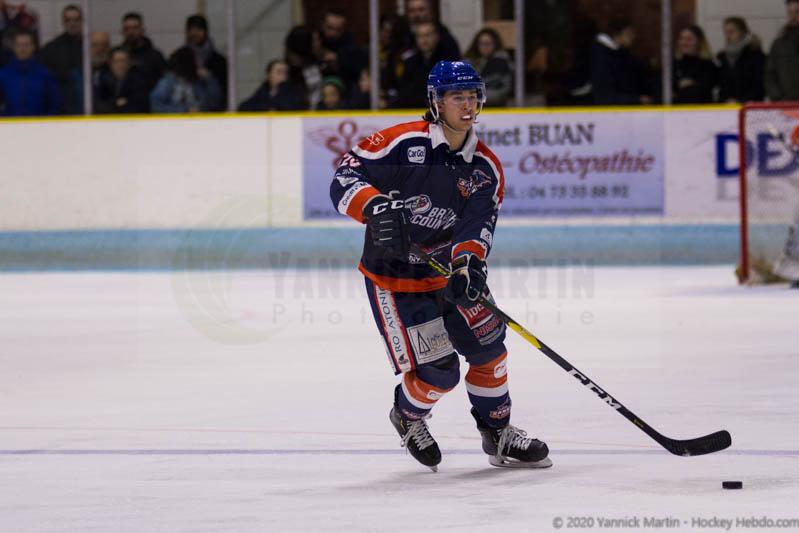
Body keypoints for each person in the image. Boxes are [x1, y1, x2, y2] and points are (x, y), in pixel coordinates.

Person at [329, 61, 551, 471]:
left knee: (490, 351)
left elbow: (477, 225)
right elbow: (344, 177)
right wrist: (374, 206)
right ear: (436, 102)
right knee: (438, 373)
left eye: (472, 97)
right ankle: (407, 416)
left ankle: (498, 432)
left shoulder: (484, 167)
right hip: (395, 278)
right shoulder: (401, 143)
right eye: (456, 97)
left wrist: (468, 265)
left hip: (449, 274)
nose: (467, 106)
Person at [394, 21, 458, 108]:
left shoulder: (448, 62)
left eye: (427, 35)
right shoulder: (410, 62)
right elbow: (404, 91)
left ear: (436, 37)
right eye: (420, 36)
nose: (424, 40)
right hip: (414, 109)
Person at [589, 18, 652, 105]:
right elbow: (604, 96)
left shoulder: (621, 54)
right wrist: (637, 99)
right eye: (629, 33)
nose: (634, 37)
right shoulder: (602, 58)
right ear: (616, 35)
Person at [0, 28, 60, 116]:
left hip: (40, 123)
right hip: (11, 123)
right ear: (13, 47)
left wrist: (46, 121)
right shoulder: (3, 75)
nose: (22, 48)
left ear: (33, 47)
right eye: (19, 45)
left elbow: (55, 104)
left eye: (26, 45)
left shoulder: (45, 75)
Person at [37, 4, 82, 114]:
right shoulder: (51, 48)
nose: (72, 23)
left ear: (82, 21)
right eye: (68, 20)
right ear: (63, 22)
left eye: (76, 19)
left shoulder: (89, 46)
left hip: (84, 105)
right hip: (60, 108)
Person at [150, 46, 222, 113]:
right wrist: (185, 110)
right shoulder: (168, 81)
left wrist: (209, 79)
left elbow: (214, 104)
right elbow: (156, 106)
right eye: (197, 60)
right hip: (175, 120)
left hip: (200, 120)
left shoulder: (199, 81)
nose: (200, 63)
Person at [716, 17, 765, 103]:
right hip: (727, 105)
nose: (728, 36)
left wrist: (741, 101)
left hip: (749, 104)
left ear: (742, 32)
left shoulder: (756, 55)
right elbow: (722, 85)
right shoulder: (722, 57)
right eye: (726, 32)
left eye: (731, 32)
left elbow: (759, 85)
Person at [184, 14, 227, 110]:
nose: (194, 33)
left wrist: (208, 77)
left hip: (212, 113)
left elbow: (223, 94)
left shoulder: (219, 61)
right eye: (191, 30)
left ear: (205, 31)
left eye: (198, 29)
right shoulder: (178, 58)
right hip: (185, 113)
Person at [464, 27, 513, 107]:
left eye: (488, 43)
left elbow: (504, 90)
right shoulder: (468, 63)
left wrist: (479, 97)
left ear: (495, 44)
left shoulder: (502, 63)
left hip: (495, 107)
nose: (485, 47)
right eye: (481, 44)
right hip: (471, 107)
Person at [120, 12, 166, 92]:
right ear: (122, 31)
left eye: (135, 28)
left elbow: (163, 82)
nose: (131, 32)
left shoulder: (155, 56)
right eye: (127, 28)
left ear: (142, 30)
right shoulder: (117, 55)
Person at [94, 46, 149, 114]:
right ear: (110, 63)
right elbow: (98, 105)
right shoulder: (101, 80)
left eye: (124, 61)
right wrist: (115, 103)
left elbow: (140, 106)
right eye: (117, 61)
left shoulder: (138, 81)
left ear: (129, 63)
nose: (121, 65)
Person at [238, 58, 306, 112]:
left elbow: (294, 106)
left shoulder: (294, 91)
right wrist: (268, 108)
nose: (283, 76)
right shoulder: (263, 90)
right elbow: (244, 107)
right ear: (268, 75)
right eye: (279, 72)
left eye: (285, 73)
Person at [672, 25, 718, 104]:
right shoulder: (673, 63)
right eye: (681, 38)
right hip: (677, 109)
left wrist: (679, 88)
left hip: (702, 109)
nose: (684, 43)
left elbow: (702, 90)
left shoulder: (708, 65)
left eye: (689, 39)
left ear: (699, 42)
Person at [766, 0, 799, 102]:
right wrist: (777, 98)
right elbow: (770, 74)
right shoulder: (779, 44)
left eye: (797, 12)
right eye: (790, 12)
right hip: (785, 103)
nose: (793, 16)